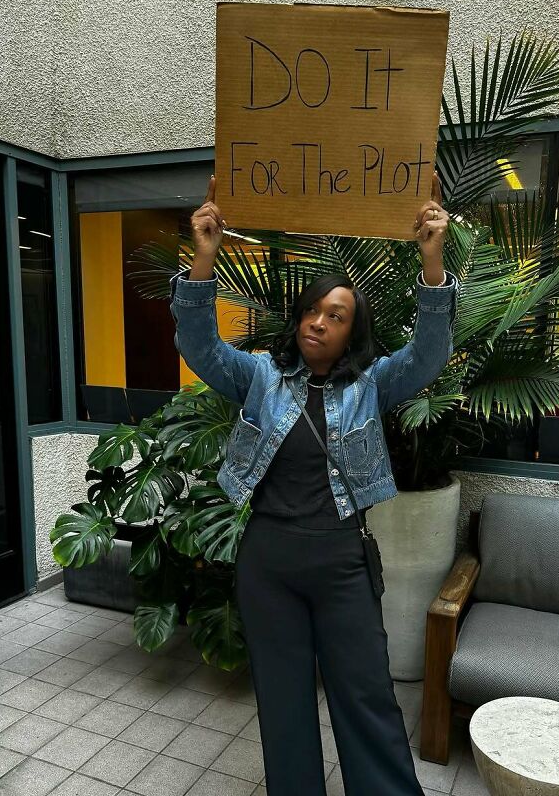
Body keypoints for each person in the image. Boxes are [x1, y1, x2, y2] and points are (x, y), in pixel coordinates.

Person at [169, 174, 459, 795]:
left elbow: (428, 355)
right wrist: (205, 255)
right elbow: (198, 343)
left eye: (336, 315)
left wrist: (431, 261)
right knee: (283, 702)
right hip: (267, 559)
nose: (318, 323)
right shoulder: (258, 377)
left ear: (352, 332)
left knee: (367, 696)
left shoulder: (372, 384)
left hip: (340, 557)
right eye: (312, 310)